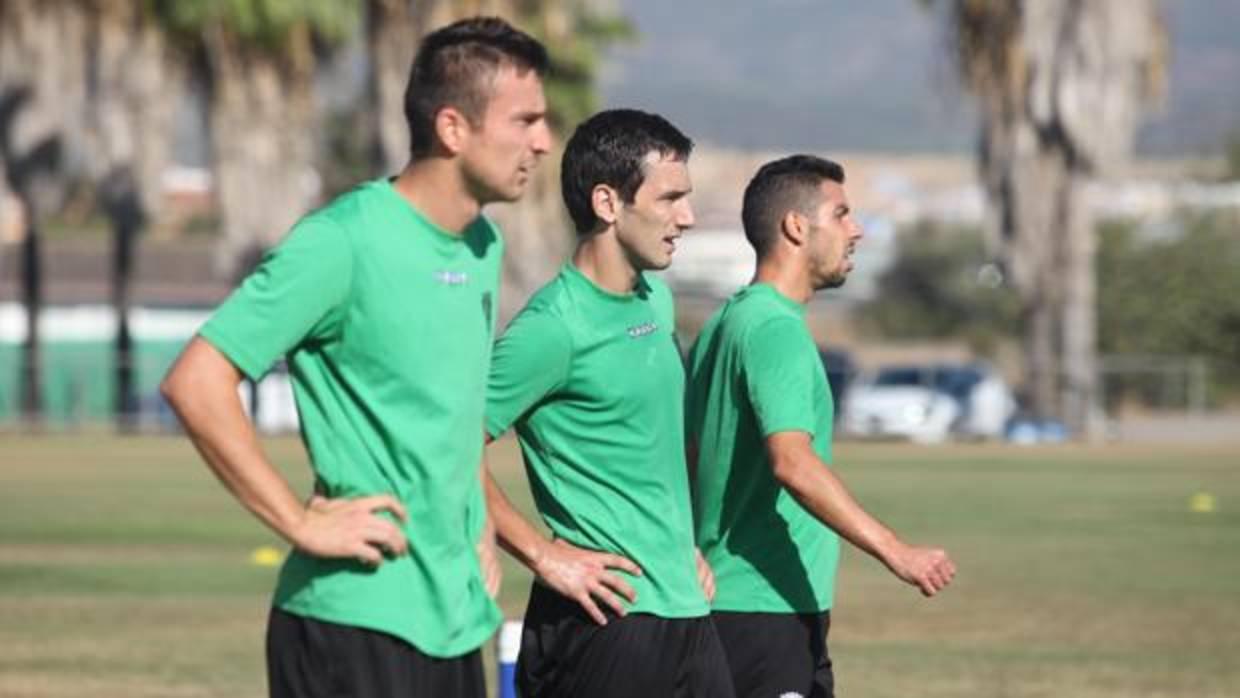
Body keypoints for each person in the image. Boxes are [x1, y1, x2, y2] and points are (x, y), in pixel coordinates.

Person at [159, 17, 552, 698]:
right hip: (353, 624)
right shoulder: (342, 241)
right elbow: (197, 381)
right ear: (453, 128)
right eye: (525, 121)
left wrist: (479, 526)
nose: (543, 142)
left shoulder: (482, 246)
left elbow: (448, 413)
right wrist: (298, 519)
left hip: (458, 619)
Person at [483, 109, 734, 697]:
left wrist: (685, 546)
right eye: (670, 198)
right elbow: (446, 449)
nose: (687, 218)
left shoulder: (656, 301)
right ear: (607, 203)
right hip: (603, 623)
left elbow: (657, 449)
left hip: (686, 611)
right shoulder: (552, 329)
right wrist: (543, 556)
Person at [685, 155, 957, 698]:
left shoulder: (723, 323)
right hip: (765, 613)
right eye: (842, 214)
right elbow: (792, 460)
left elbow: (692, 458)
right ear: (795, 226)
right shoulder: (774, 330)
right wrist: (895, 550)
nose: (855, 229)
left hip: (730, 608)